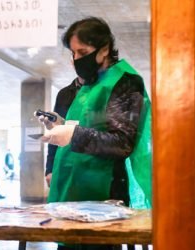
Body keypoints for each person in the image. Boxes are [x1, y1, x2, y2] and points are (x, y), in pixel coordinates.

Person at [36, 17, 150, 250]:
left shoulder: (124, 83)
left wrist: (72, 134)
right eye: (73, 53)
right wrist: (62, 126)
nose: (76, 60)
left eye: (83, 52)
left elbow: (122, 143)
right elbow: (88, 127)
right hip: (72, 191)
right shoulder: (83, 87)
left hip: (106, 197)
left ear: (105, 49)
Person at [45, 77, 82, 187]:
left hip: (94, 166)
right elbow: (55, 131)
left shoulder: (104, 89)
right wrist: (50, 169)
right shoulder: (64, 94)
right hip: (65, 163)